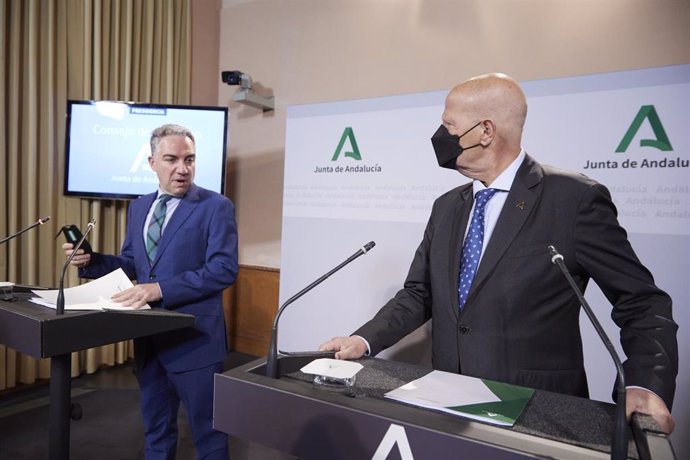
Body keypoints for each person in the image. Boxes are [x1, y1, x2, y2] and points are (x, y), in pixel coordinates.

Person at [319, 73, 677, 433]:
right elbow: (419, 293)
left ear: (485, 131)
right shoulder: (447, 207)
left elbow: (643, 303)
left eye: (448, 125)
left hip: (536, 412)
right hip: (445, 400)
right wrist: (363, 340)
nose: (440, 136)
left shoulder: (574, 200)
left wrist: (645, 384)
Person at [64, 123, 238, 459]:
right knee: (156, 432)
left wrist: (158, 289)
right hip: (148, 341)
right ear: (151, 162)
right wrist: (92, 260)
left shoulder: (216, 206)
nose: (182, 168)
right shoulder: (140, 206)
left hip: (196, 341)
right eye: (172, 159)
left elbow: (223, 270)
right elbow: (133, 265)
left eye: (190, 159)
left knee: (210, 434)